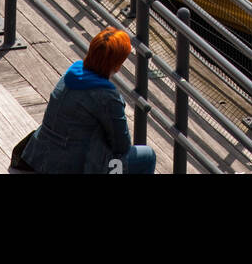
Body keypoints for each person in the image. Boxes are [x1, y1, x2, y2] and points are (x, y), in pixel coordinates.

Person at [21, 27, 156, 175]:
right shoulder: (107, 96)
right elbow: (122, 146)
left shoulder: (70, 74)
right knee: (147, 156)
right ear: (117, 65)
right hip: (73, 167)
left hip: (38, 157)